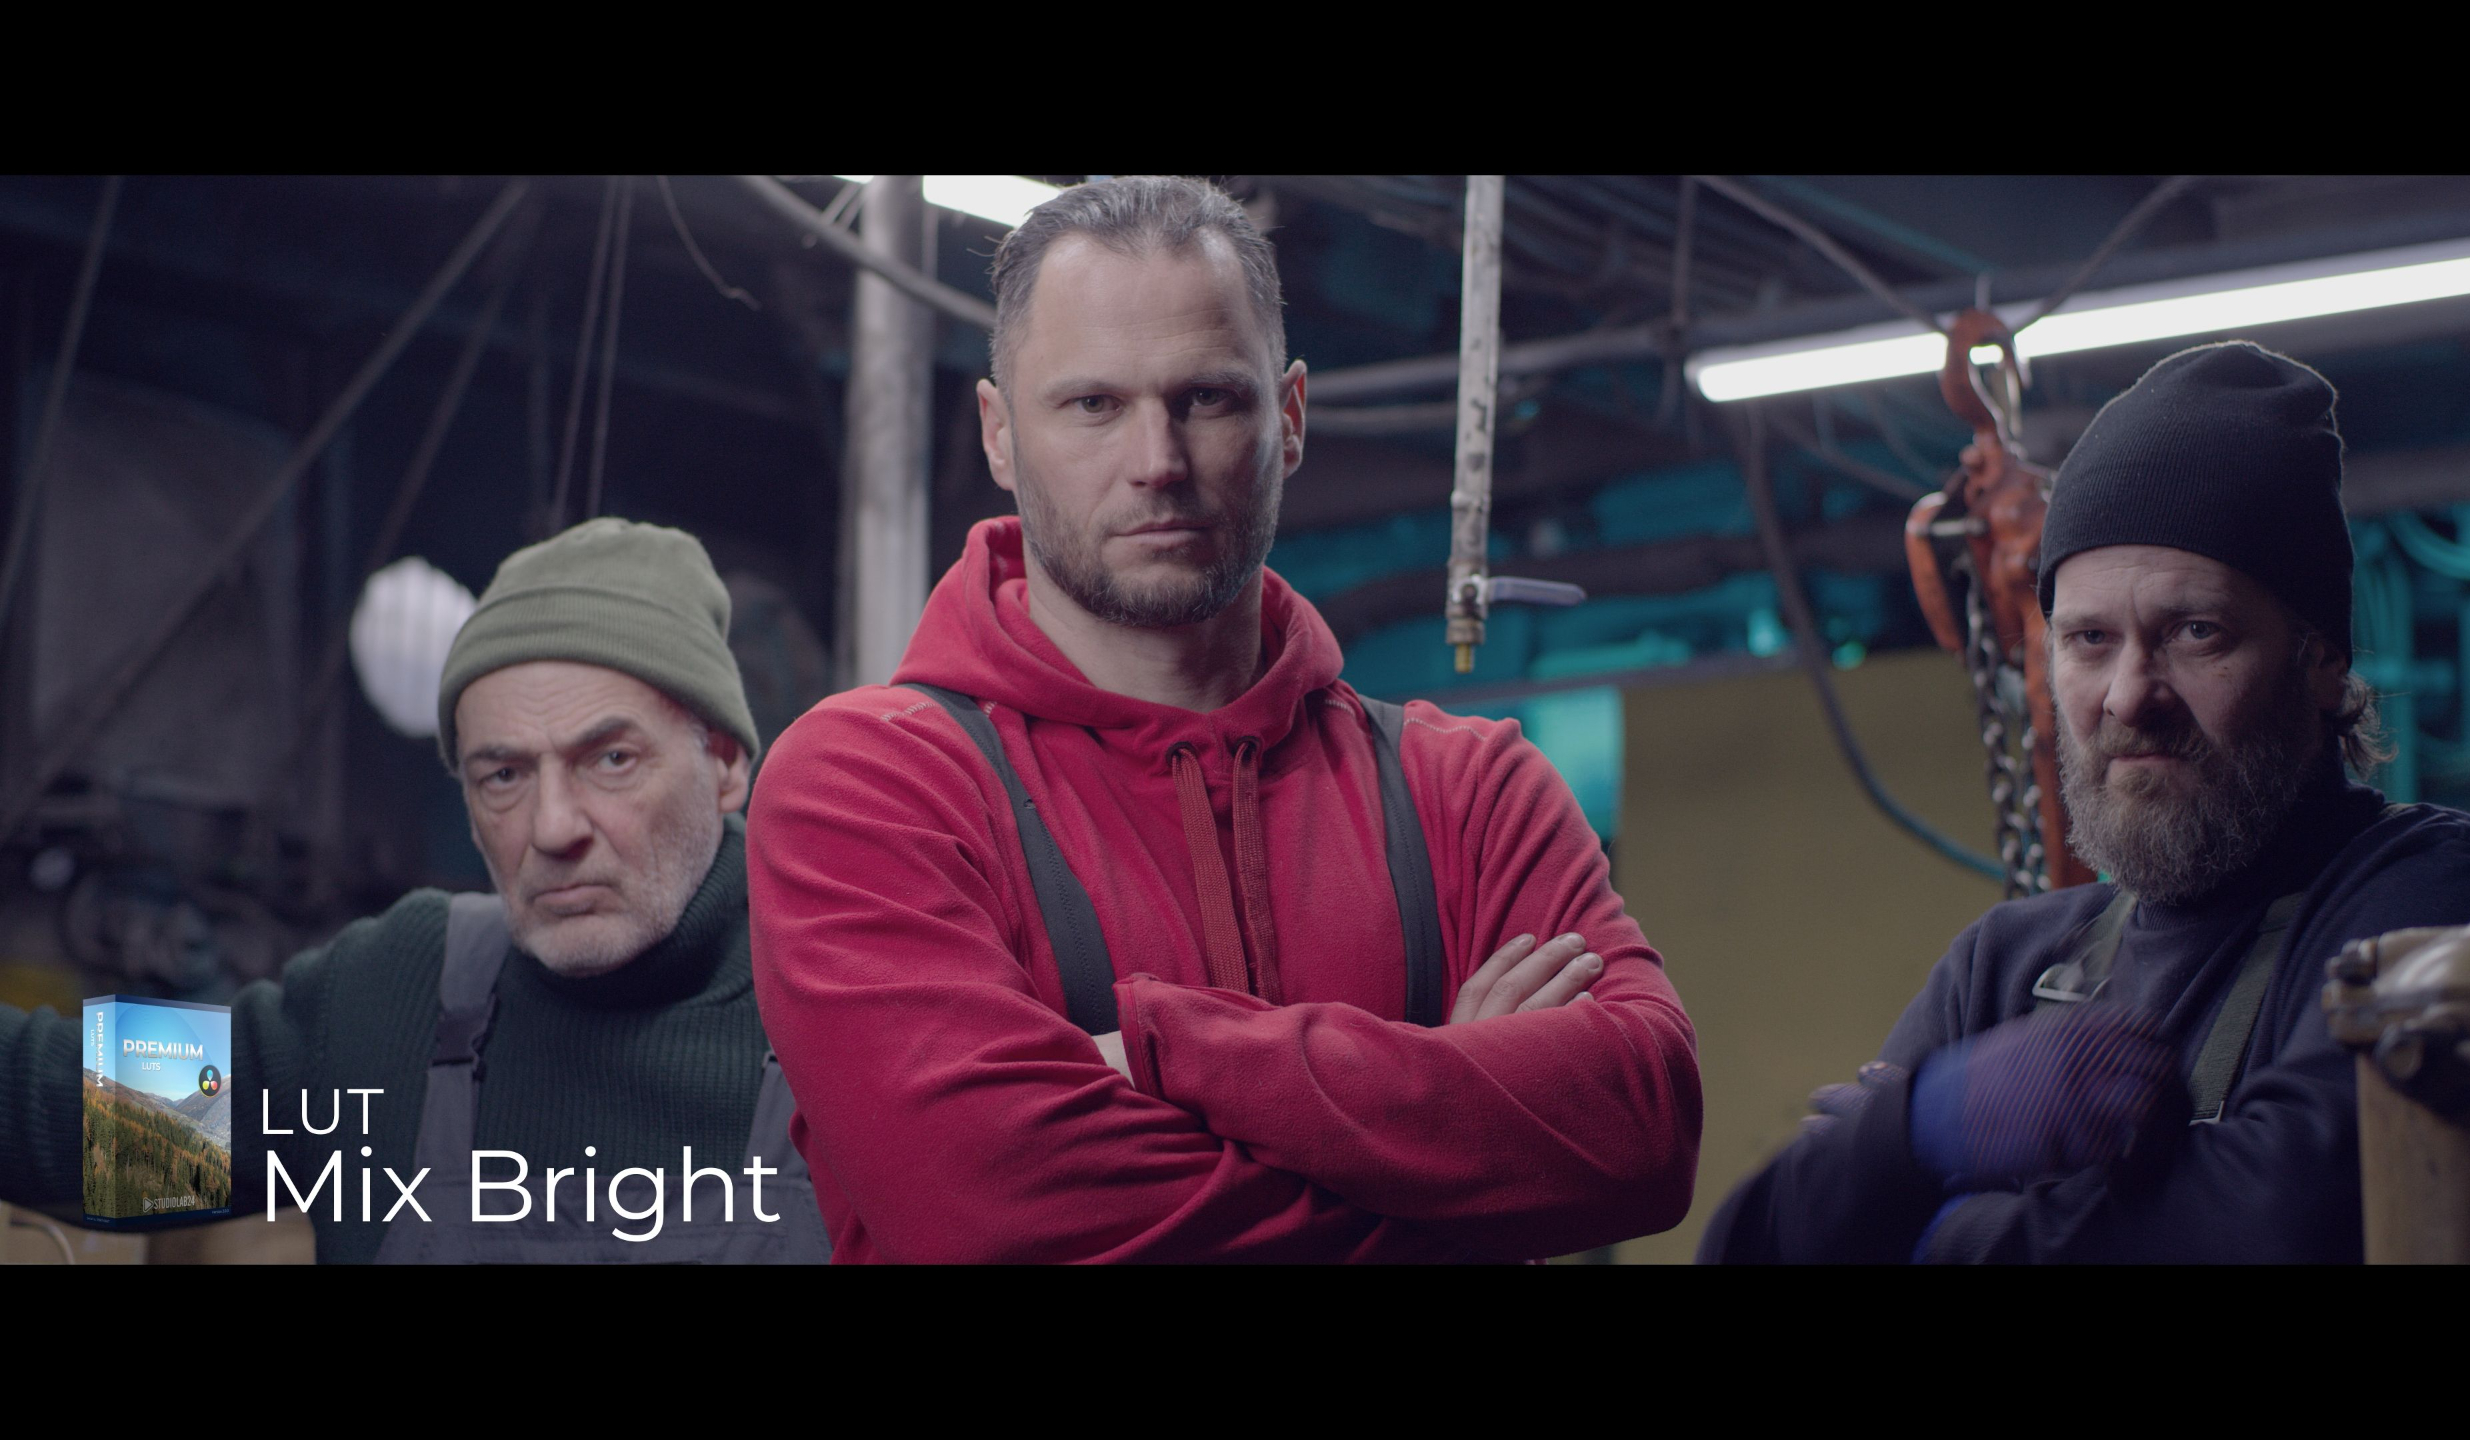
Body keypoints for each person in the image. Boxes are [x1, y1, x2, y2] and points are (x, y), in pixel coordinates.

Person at [748, 176, 1702, 1263]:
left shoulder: (1466, 789)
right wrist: (1456, 1150)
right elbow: (991, 1213)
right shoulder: (867, 786)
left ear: (1288, 418)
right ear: (1000, 435)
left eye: (1205, 398)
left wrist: (1170, 1052)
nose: (1156, 462)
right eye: (1092, 405)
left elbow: (1642, 1128)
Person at [1700, 340, 2470, 1264]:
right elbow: (1749, 1250)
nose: (2128, 695)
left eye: (2196, 632)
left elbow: (2282, 1225)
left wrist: (1932, 1226)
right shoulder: (2006, 969)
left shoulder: (2431, 899)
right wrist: (1917, 1129)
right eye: (2090, 639)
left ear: (2319, 659)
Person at [0, 518, 830, 1262]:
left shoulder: (846, 1010)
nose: (552, 827)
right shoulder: (402, 999)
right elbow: (75, 1120)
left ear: (725, 762)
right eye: (504, 775)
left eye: (610, 759)